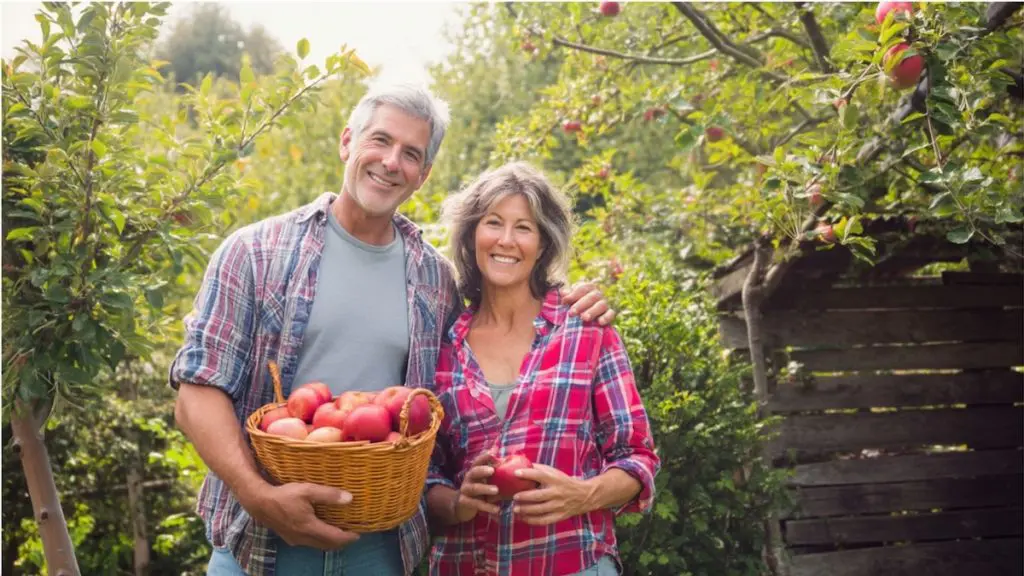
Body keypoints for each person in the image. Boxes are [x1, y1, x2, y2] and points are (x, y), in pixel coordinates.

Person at [170, 83, 615, 576]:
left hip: (380, 549)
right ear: (347, 142)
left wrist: (570, 298)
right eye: (379, 140)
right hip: (258, 541)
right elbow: (196, 394)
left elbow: (505, 307)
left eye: (411, 154)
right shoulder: (255, 252)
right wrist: (259, 496)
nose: (390, 162)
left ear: (422, 175)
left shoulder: (435, 279)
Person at [425, 162, 660, 575]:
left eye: (524, 228)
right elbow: (424, 473)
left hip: (573, 562)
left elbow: (637, 457)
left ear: (543, 244)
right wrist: (459, 503)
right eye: (493, 222)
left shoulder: (585, 330)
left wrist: (583, 494)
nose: (506, 240)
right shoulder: (444, 346)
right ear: (471, 235)